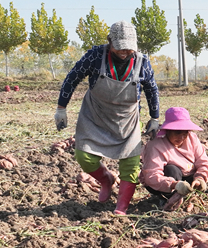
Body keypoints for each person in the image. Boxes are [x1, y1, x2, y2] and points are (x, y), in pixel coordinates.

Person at [55, 21, 160, 215]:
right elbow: (72, 78)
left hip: (127, 118)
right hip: (95, 114)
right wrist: (61, 108)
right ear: (109, 41)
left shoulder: (142, 62)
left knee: (131, 162)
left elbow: (151, 89)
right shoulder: (95, 56)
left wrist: (155, 117)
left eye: (128, 49)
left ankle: (122, 207)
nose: (124, 52)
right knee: (84, 156)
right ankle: (106, 180)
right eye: (120, 48)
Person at [141, 107, 208, 208]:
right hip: (167, 181)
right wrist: (174, 184)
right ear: (167, 130)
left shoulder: (192, 137)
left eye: (185, 132)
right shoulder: (155, 145)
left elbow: (202, 161)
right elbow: (151, 176)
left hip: (189, 175)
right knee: (172, 169)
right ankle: (169, 199)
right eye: (177, 132)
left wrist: (200, 178)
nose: (181, 137)